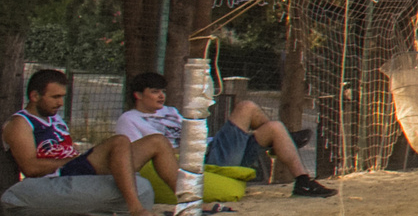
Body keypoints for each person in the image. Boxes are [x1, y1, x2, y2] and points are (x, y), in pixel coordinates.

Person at [118, 73, 334, 199]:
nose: (161, 95)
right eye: (155, 91)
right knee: (246, 107)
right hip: (200, 161)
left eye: (162, 91)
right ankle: (281, 145)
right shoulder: (130, 120)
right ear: (138, 95)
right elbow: (136, 156)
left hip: (211, 150)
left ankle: (303, 182)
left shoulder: (170, 112)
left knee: (275, 127)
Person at [2, 69, 169, 216]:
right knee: (119, 141)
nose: (60, 103)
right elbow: (30, 168)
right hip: (57, 176)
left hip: (75, 168)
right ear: (35, 96)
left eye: (62, 97)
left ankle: (189, 203)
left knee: (157, 141)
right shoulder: (20, 123)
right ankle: (136, 209)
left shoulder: (54, 119)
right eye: (55, 97)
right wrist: (75, 159)